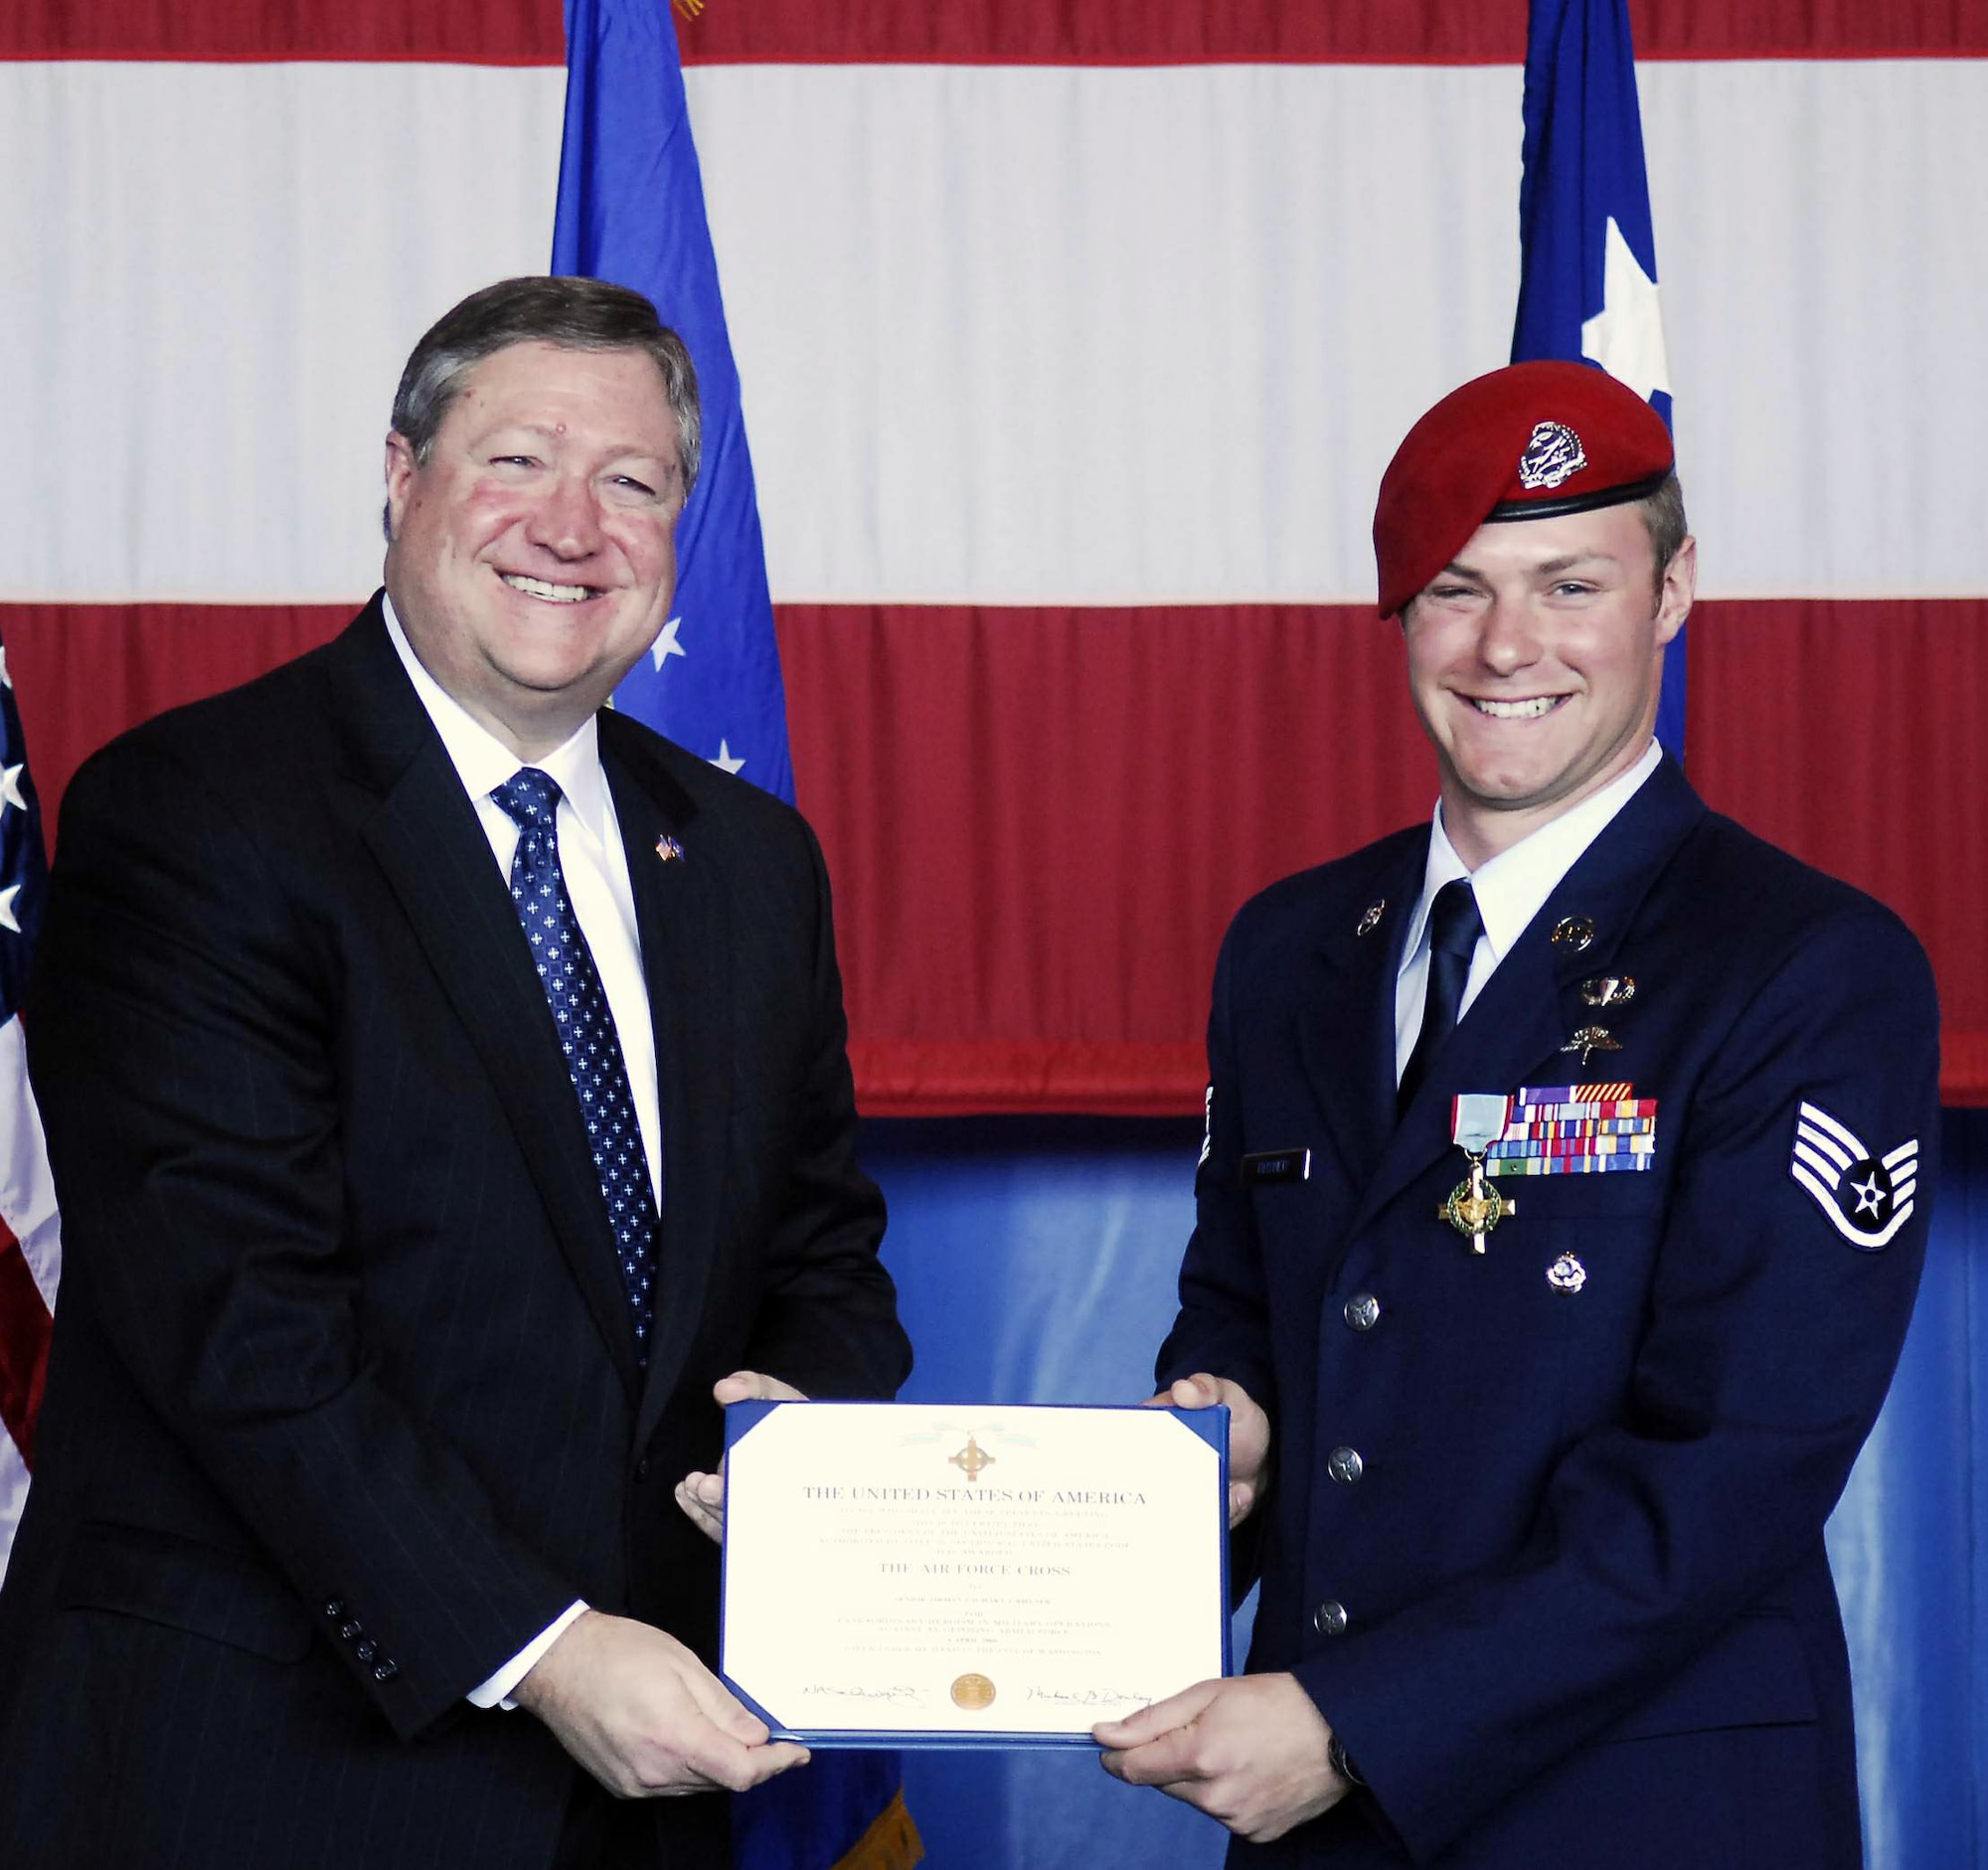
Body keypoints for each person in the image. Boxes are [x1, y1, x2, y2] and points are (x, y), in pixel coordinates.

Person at [0, 275, 911, 1869]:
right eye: (518, 462)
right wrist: (546, 1647)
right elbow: (241, 1327)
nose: (574, 524)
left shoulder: (751, 861)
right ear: (403, 476)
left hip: (643, 1786)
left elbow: (822, 1256)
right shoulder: (195, 813)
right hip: (267, 1776)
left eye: (631, 481)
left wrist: (795, 1417)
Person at [1095, 361, 1939, 1867]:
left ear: (1674, 591)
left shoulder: (1804, 963)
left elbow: (1732, 1463)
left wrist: (1354, 1721)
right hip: (1317, 1828)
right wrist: (1223, 1433)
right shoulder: (1292, 946)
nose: (1506, 647)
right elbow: (1248, 1301)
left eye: (1571, 584)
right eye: (1455, 589)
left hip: (1642, 1812)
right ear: (1397, 611)